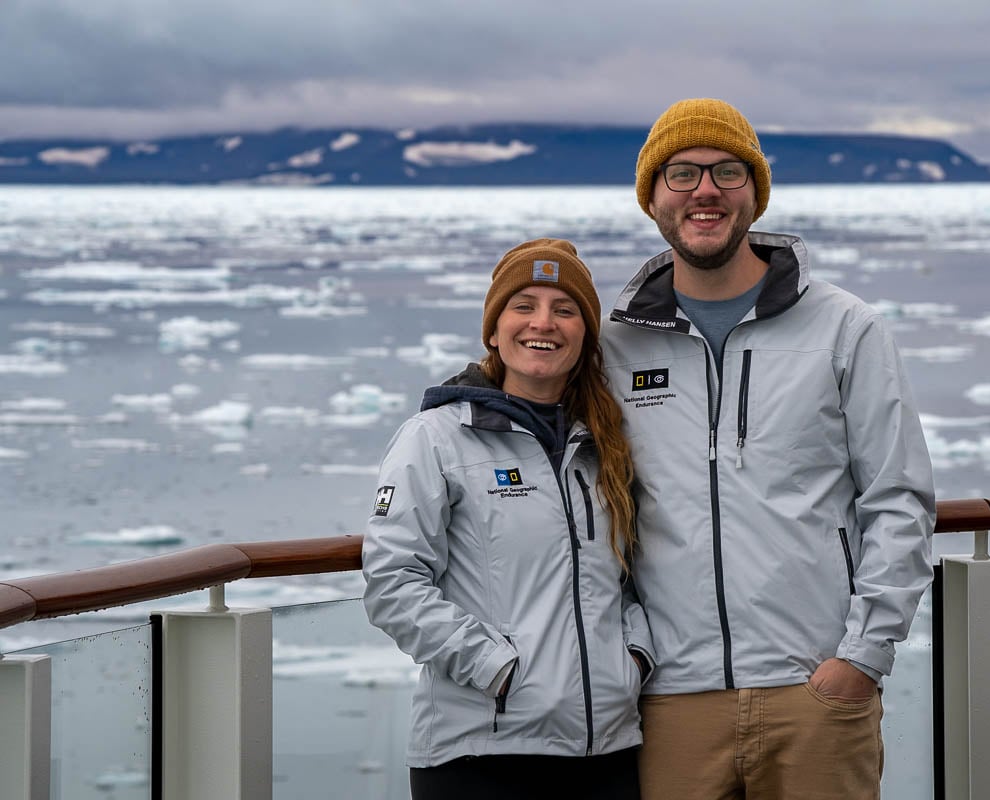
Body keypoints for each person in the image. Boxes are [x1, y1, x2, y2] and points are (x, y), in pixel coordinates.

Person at [600, 98, 936, 800]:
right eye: (682, 174)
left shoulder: (846, 328)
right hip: (671, 701)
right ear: (653, 198)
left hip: (814, 691)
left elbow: (898, 498)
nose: (705, 191)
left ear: (754, 192)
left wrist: (860, 658)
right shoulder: (617, 346)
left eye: (727, 172)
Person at [363, 238, 655, 800]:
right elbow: (392, 584)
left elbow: (629, 580)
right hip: (482, 751)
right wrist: (500, 670)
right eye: (523, 306)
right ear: (494, 330)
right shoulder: (436, 438)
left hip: (608, 748)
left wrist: (631, 661)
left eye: (564, 309)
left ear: (585, 337)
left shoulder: (605, 447)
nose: (542, 323)